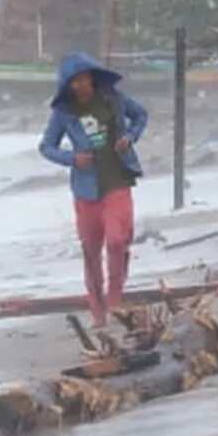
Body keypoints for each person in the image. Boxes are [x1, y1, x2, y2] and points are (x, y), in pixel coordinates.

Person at [38, 52, 149, 326]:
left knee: (116, 241)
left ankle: (115, 300)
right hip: (86, 189)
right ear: (68, 86)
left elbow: (141, 116)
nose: (81, 85)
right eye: (75, 82)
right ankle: (98, 312)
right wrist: (72, 159)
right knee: (91, 251)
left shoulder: (114, 98)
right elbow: (46, 147)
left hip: (118, 181)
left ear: (92, 77)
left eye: (84, 79)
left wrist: (130, 136)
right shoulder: (64, 113)